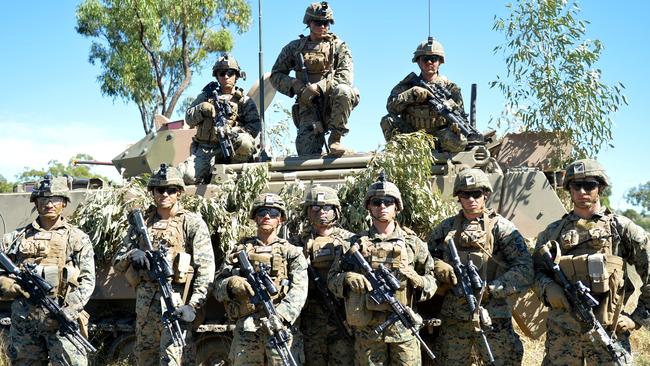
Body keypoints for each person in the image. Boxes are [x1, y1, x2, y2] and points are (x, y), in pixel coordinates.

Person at [533, 159, 650, 365]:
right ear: (568, 189)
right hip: (563, 335)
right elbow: (534, 271)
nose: (582, 191)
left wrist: (636, 319)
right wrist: (547, 287)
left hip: (608, 332)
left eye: (589, 185)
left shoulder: (621, 229)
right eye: (576, 186)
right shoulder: (552, 232)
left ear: (600, 188)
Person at [328, 174, 438, 366]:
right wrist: (347, 278)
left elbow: (432, 281)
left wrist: (417, 280)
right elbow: (332, 279)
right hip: (368, 333)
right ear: (369, 207)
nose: (382, 207)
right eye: (377, 202)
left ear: (397, 207)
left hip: (404, 330)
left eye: (388, 202)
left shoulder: (413, 243)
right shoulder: (353, 244)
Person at [112, 164, 215, 366]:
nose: (165, 194)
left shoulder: (192, 222)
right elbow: (117, 264)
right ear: (153, 192)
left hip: (175, 305)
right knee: (145, 360)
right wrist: (132, 254)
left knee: (175, 360)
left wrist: (193, 305)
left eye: (171, 190)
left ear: (179, 193)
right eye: (160, 189)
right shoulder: (141, 225)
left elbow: (206, 268)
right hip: (145, 309)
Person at [428, 168, 533, 365]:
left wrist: (492, 289)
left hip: (493, 316)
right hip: (455, 319)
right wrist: (438, 265)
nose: (471, 199)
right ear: (458, 197)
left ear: (485, 194)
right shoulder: (446, 228)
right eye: (465, 194)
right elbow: (424, 259)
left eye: (476, 194)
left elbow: (524, 269)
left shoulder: (501, 227)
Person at [0, 175, 95, 365]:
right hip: (25, 320)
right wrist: (9, 285)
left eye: (55, 199)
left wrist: (70, 311)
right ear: (35, 202)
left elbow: (88, 279)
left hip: (60, 316)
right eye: (43, 198)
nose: (49, 203)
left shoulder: (77, 238)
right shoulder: (15, 239)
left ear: (64, 203)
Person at [214, 193, 308, 365]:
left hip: (281, 329)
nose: (267, 216)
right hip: (247, 332)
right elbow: (217, 286)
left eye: (273, 213)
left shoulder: (292, 252)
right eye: (262, 212)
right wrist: (231, 284)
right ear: (255, 217)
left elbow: (300, 290)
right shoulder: (238, 251)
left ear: (280, 219)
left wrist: (280, 317)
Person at [270, 1, 358, 156]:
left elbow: (345, 76)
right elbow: (275, 75)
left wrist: (319, 87)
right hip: (308, 107)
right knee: (306, 155)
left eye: (326, 23)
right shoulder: (294, 48)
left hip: (333, 103)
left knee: (344, 90)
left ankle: (335, 140)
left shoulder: (339, 46)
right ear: (309, 23)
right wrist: (296, 85)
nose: (323, 26)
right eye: (318, 22)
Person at [291, 185, 355, 365]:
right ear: (308, 212)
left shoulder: (351, 240)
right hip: (311, 317)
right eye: (316, 208)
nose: (322, 213)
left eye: (327, 208)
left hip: (341, 314)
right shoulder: (297, 241)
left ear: (336, 211)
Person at [181, 53, 261, 184]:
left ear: (237, 76)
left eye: (230, 73)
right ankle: (206, 174)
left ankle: (235, 174)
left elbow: (254, 127)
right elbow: (189, 118)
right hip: (206, 149)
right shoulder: (205, 97)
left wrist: (233, 131)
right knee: (187, 176)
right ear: (217, 76)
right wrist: (201, 109)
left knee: (246, 141)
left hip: (232, 149)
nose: (226, 76)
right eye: (222, 73)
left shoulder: (244, 101)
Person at [380, 37, 467, 152]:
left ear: (440, 61)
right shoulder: (407, 85)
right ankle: (402, 155)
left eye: (434, 59)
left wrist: (456, 129)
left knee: (460, 139)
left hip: (440, 139)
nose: (429, 62)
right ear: (418, 62)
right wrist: (411, 94)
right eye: (425, 59)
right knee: (388, 120)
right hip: (412, 139)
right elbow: (391, 108)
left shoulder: (451, 89)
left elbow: (461, 117)